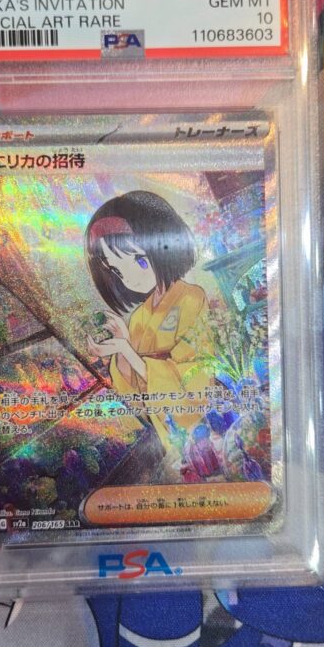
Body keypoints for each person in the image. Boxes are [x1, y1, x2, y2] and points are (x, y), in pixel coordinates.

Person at [85, 190, 215, 456]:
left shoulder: (191, 298)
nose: (129, 278)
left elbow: (194, 379)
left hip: (201, 428)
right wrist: (122, 348)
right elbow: (135, 397)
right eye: (117, 270)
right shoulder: (139, 317)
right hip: (166, 433)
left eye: (139, 260)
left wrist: (128, 350)